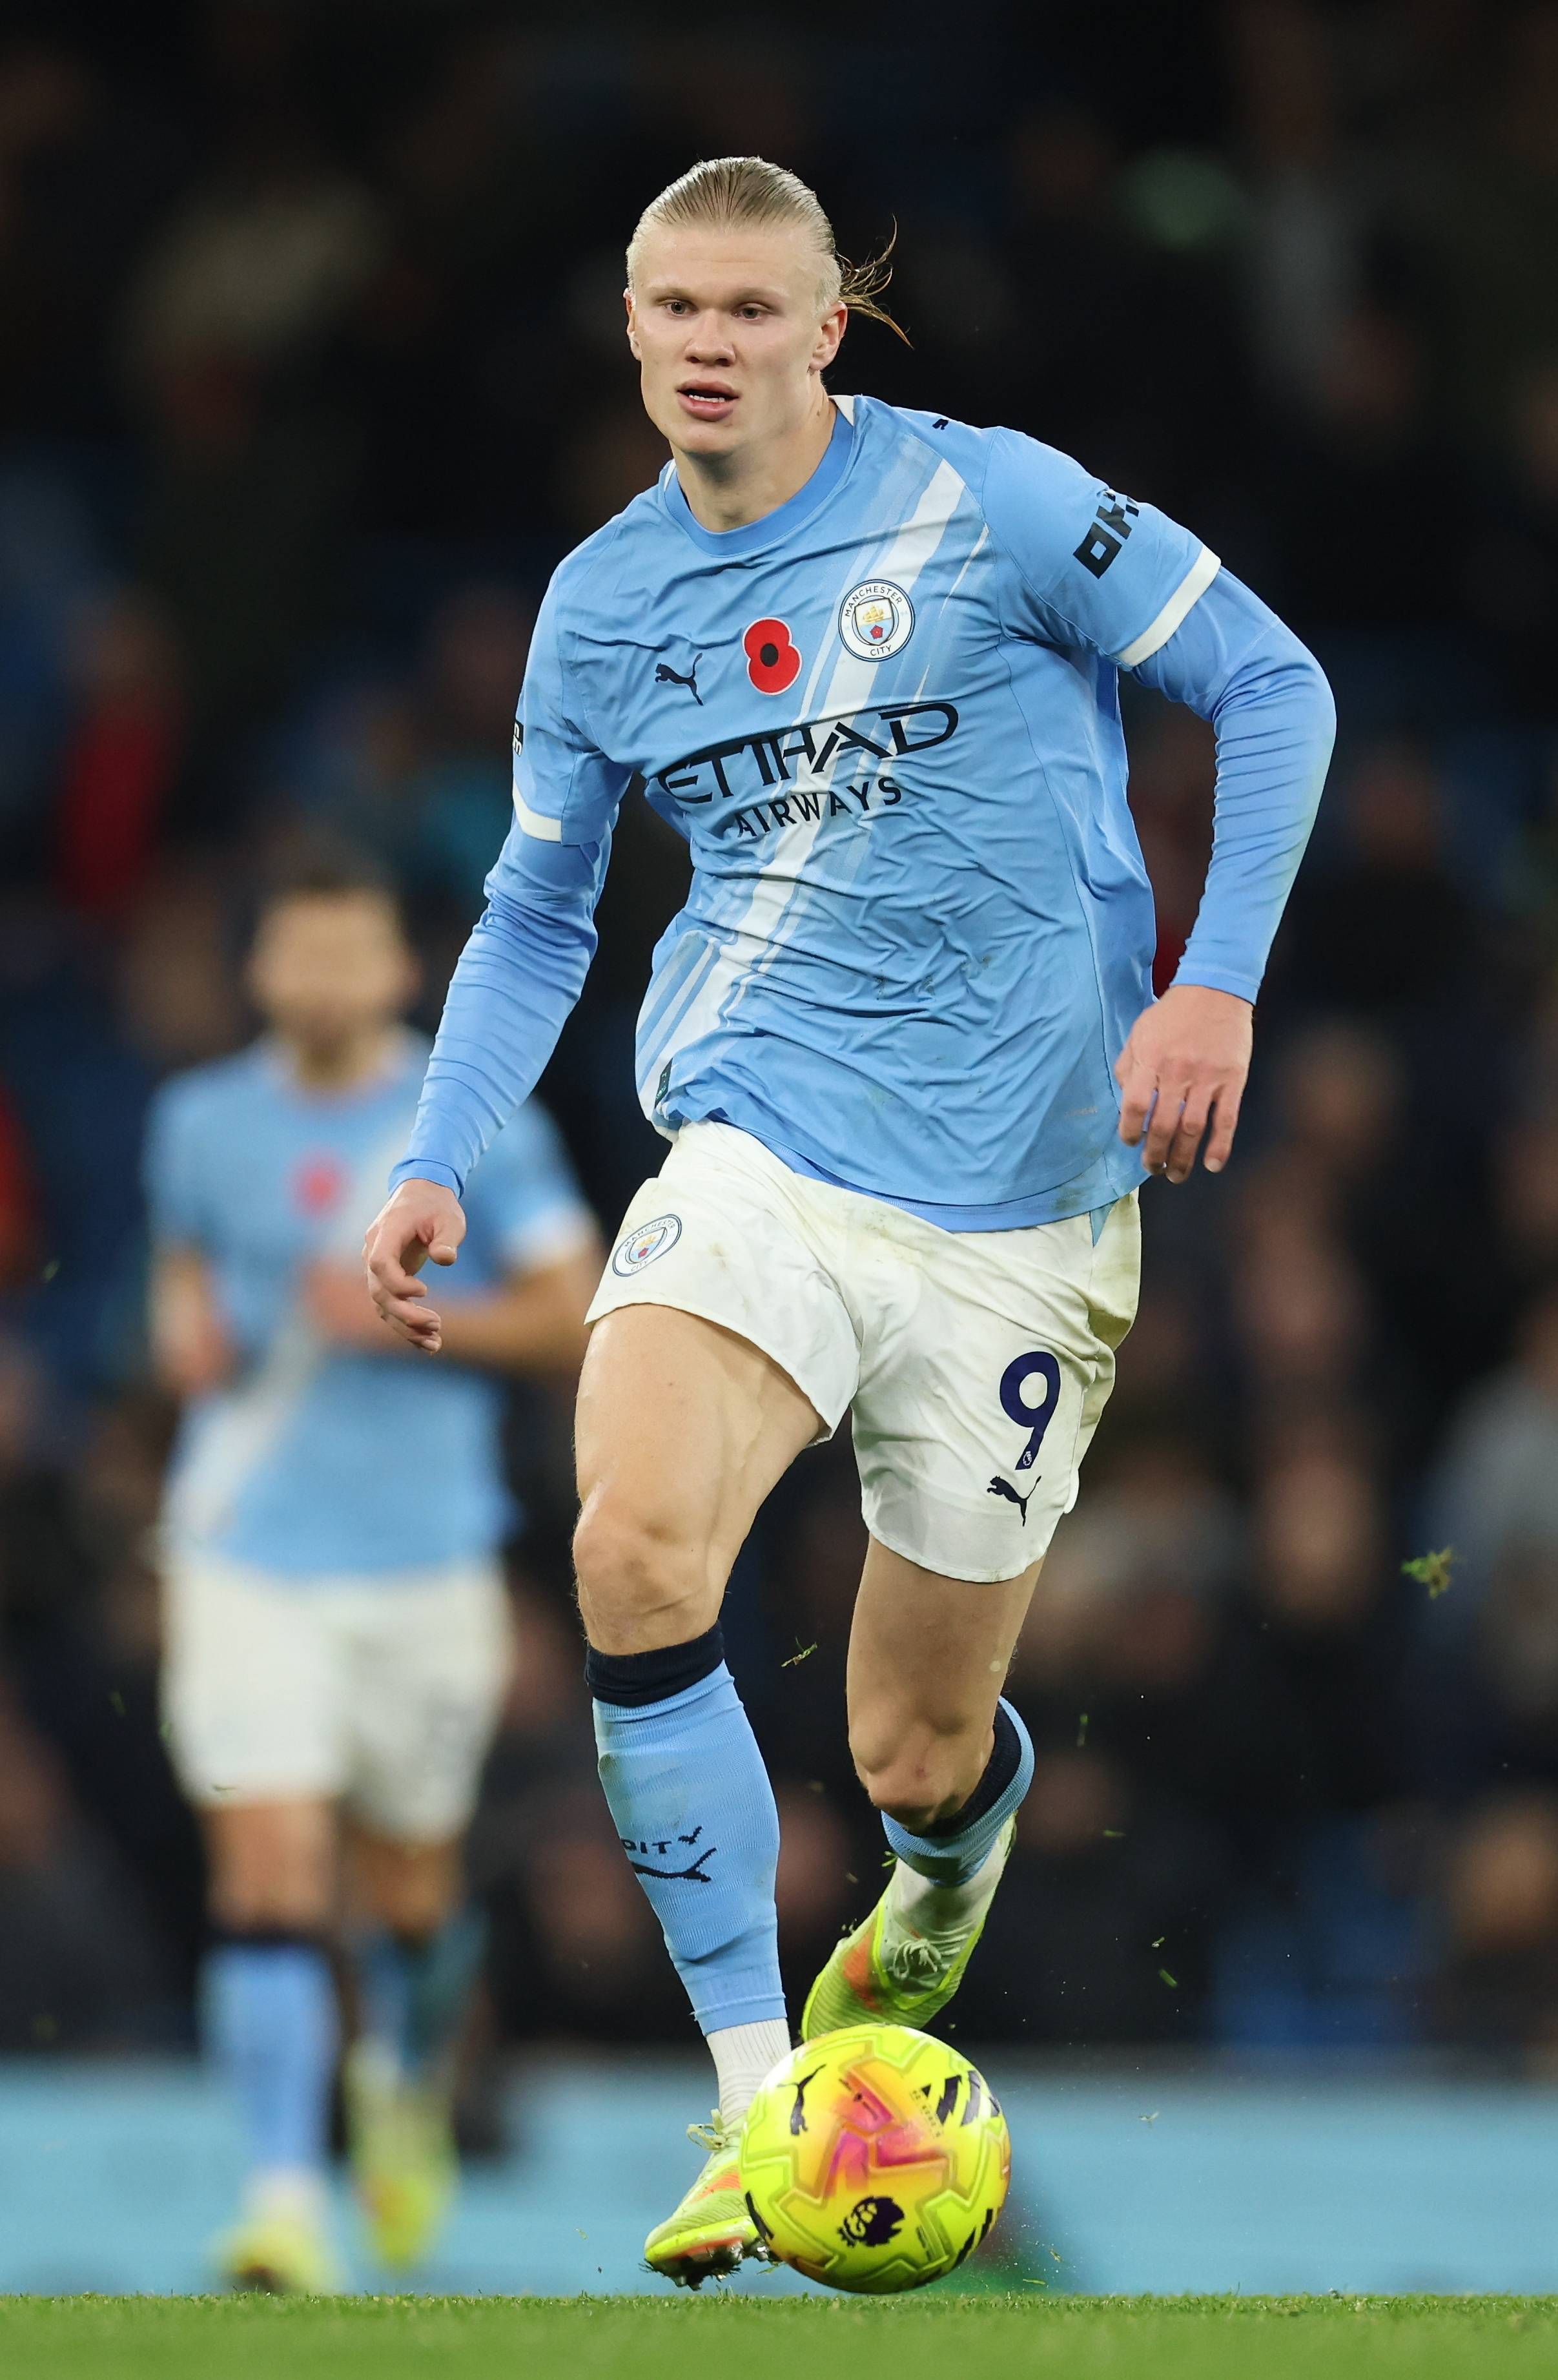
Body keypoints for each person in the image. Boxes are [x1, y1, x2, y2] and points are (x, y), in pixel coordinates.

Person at [364, 156, 1335, 2286]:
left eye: (748, 306)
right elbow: (536, 908)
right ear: (631, 328)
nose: (704, 340)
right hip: (760, 1150)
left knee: (909, 1738)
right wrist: (437, 1146)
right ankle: (750, 2102)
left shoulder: (989, 500)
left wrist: (1214, 983)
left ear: (827, 329)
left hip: (1022, 1216)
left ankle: (945, 1851)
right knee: (631, 1543)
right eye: (670, 305)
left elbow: (1273, 687)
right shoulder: (601, 604)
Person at [147, 859, 599, 2291]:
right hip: (245, 1548)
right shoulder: (198, 1121)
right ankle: (284, 2196)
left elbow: (577, 1311)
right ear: (260, 970)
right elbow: (182, 1275)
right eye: (300, 954)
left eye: (351, 954)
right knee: (269, 1866)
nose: (324, 981)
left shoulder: (473, 1122)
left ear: (404, 973)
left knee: (409, 1890)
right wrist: (180, 1333)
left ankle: (403, 2079)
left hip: (423, 1559)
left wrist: (415, 1317)